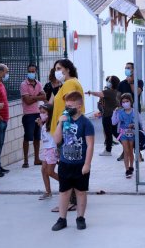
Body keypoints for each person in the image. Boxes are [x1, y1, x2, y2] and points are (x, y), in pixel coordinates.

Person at [51, 92, 94, 231]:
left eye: (70, 106)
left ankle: (80, 217)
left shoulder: (86, 123)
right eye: (66, 105)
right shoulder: (64, 120)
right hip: (65, 163)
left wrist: (87, 164)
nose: (67, 108)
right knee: (64, 192)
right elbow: (57, 140)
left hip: (80, 164)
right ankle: (62, 219)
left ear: (79, 106)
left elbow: (90, 145)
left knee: (80, 192)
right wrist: (60, 123)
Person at [50, 59, 84, 212]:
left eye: (59, 68)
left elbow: (69, 108)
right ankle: (73, 199)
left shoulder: (70, 84)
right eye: (55, 68)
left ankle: (71, 201)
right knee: (70, 166)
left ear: (67, 69)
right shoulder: (69, 83)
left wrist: (64, 129)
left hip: (66, 132)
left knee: (67, 168)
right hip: (66, 131)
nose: (56, 71)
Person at [86, 75, 120, 156]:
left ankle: (108, 150)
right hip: (113, 116)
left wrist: (90, 92)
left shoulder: (109, 92)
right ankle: (124, 144)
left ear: (113, 83)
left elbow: (98, 94)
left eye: (109, 81)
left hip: (108, 116)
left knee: (108, 133)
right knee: (115, 132)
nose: (108, 82)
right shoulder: (116, 92)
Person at [20, 63, 46, 168]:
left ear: (36, 72)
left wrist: (33, 97)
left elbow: (44, 96)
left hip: (37, 113)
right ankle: (26, 160)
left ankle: (36, 159)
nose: (31, 73)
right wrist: (37, 97)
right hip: (28, 115)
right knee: (27, 137)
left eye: (33, 71)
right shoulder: (23, 85)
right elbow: (27, 101)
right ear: (27, 72)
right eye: (29, 71)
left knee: (37, 137)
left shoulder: (38, 83)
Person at [116, 62, 144, 161]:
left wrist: (131, 82)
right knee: (122, 132)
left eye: (128, 68)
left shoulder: (139, 82)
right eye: (125, 68)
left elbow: (136, 92)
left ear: (133, 70)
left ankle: (138, 153)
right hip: (123, 113)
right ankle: (125, 151)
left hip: (134, 111)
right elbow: (118, 96)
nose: (126, 69)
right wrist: (119, 107)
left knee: (135, 132)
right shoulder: (121, 83)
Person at [112, 93, 142, 178]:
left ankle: (131, 166)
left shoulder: (134, 111)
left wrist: (137, 126)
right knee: (126, 151)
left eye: (127, 101)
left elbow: (140, 121)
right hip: (123, 134)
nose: (125, 103)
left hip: (132, 133)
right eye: (123, 102)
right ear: (121, 103)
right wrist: (114, 112)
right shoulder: (120, 112)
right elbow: (114, 122)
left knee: (130, 150)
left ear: (130, 101)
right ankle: (127, 170)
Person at [36, 103, 58, 200]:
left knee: (50, 172)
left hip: (52, 149)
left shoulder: (53, 123)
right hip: (46, 149)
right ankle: (48, 192)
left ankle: (68, 186)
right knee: (44, 171)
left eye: (43, 112)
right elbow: (45, 134)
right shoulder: (45, 124)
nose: (41, 114)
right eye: (40, 112)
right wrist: (40, 124)